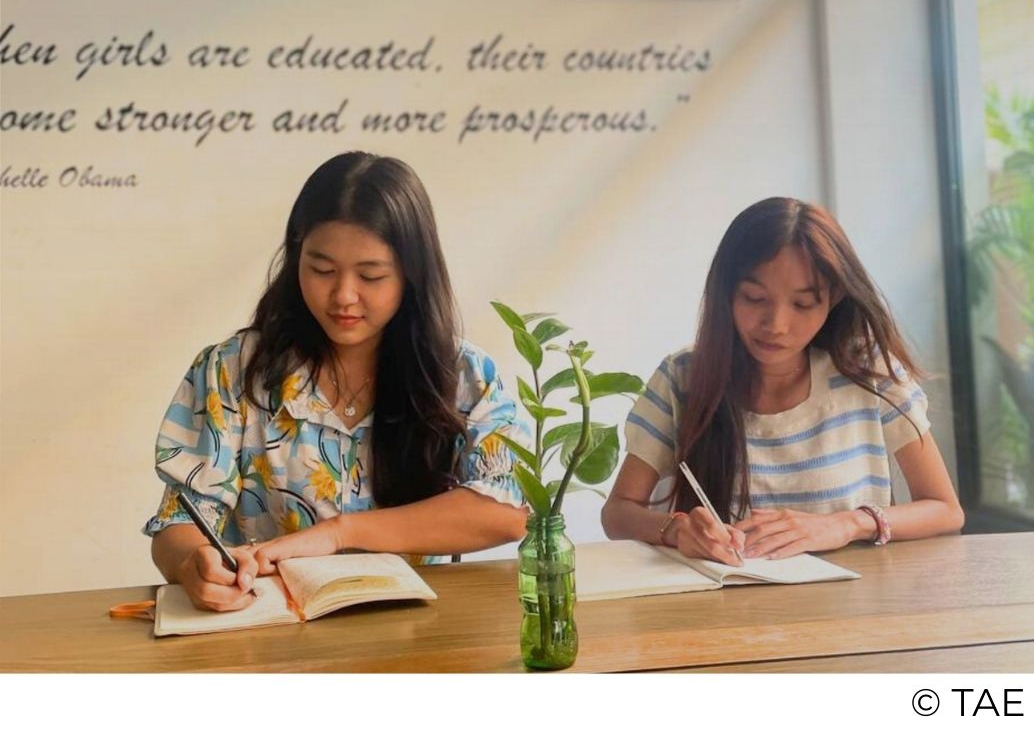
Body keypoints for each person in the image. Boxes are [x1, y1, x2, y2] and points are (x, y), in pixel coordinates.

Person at [145, 151, 527, 611]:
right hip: (270, 635)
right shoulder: (232, 371)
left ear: (412, 275)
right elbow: (179, 522)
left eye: (371, 275)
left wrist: (336, 533)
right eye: (321, 270)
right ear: (295, 259)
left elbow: (505, 510)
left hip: (416, 640)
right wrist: (193, 566)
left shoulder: (463, 376)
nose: (343, 295)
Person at [601, 197, 964, 565]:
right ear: (727, 291)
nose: (776, 324)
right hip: (724, 612)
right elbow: (618, 513)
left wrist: (846, 525)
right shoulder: (684, 378)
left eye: (802, 304)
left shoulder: (868, 372)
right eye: (754, 298)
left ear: (834, 297)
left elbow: (945, 509)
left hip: (852, 609)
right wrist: (677, 529)